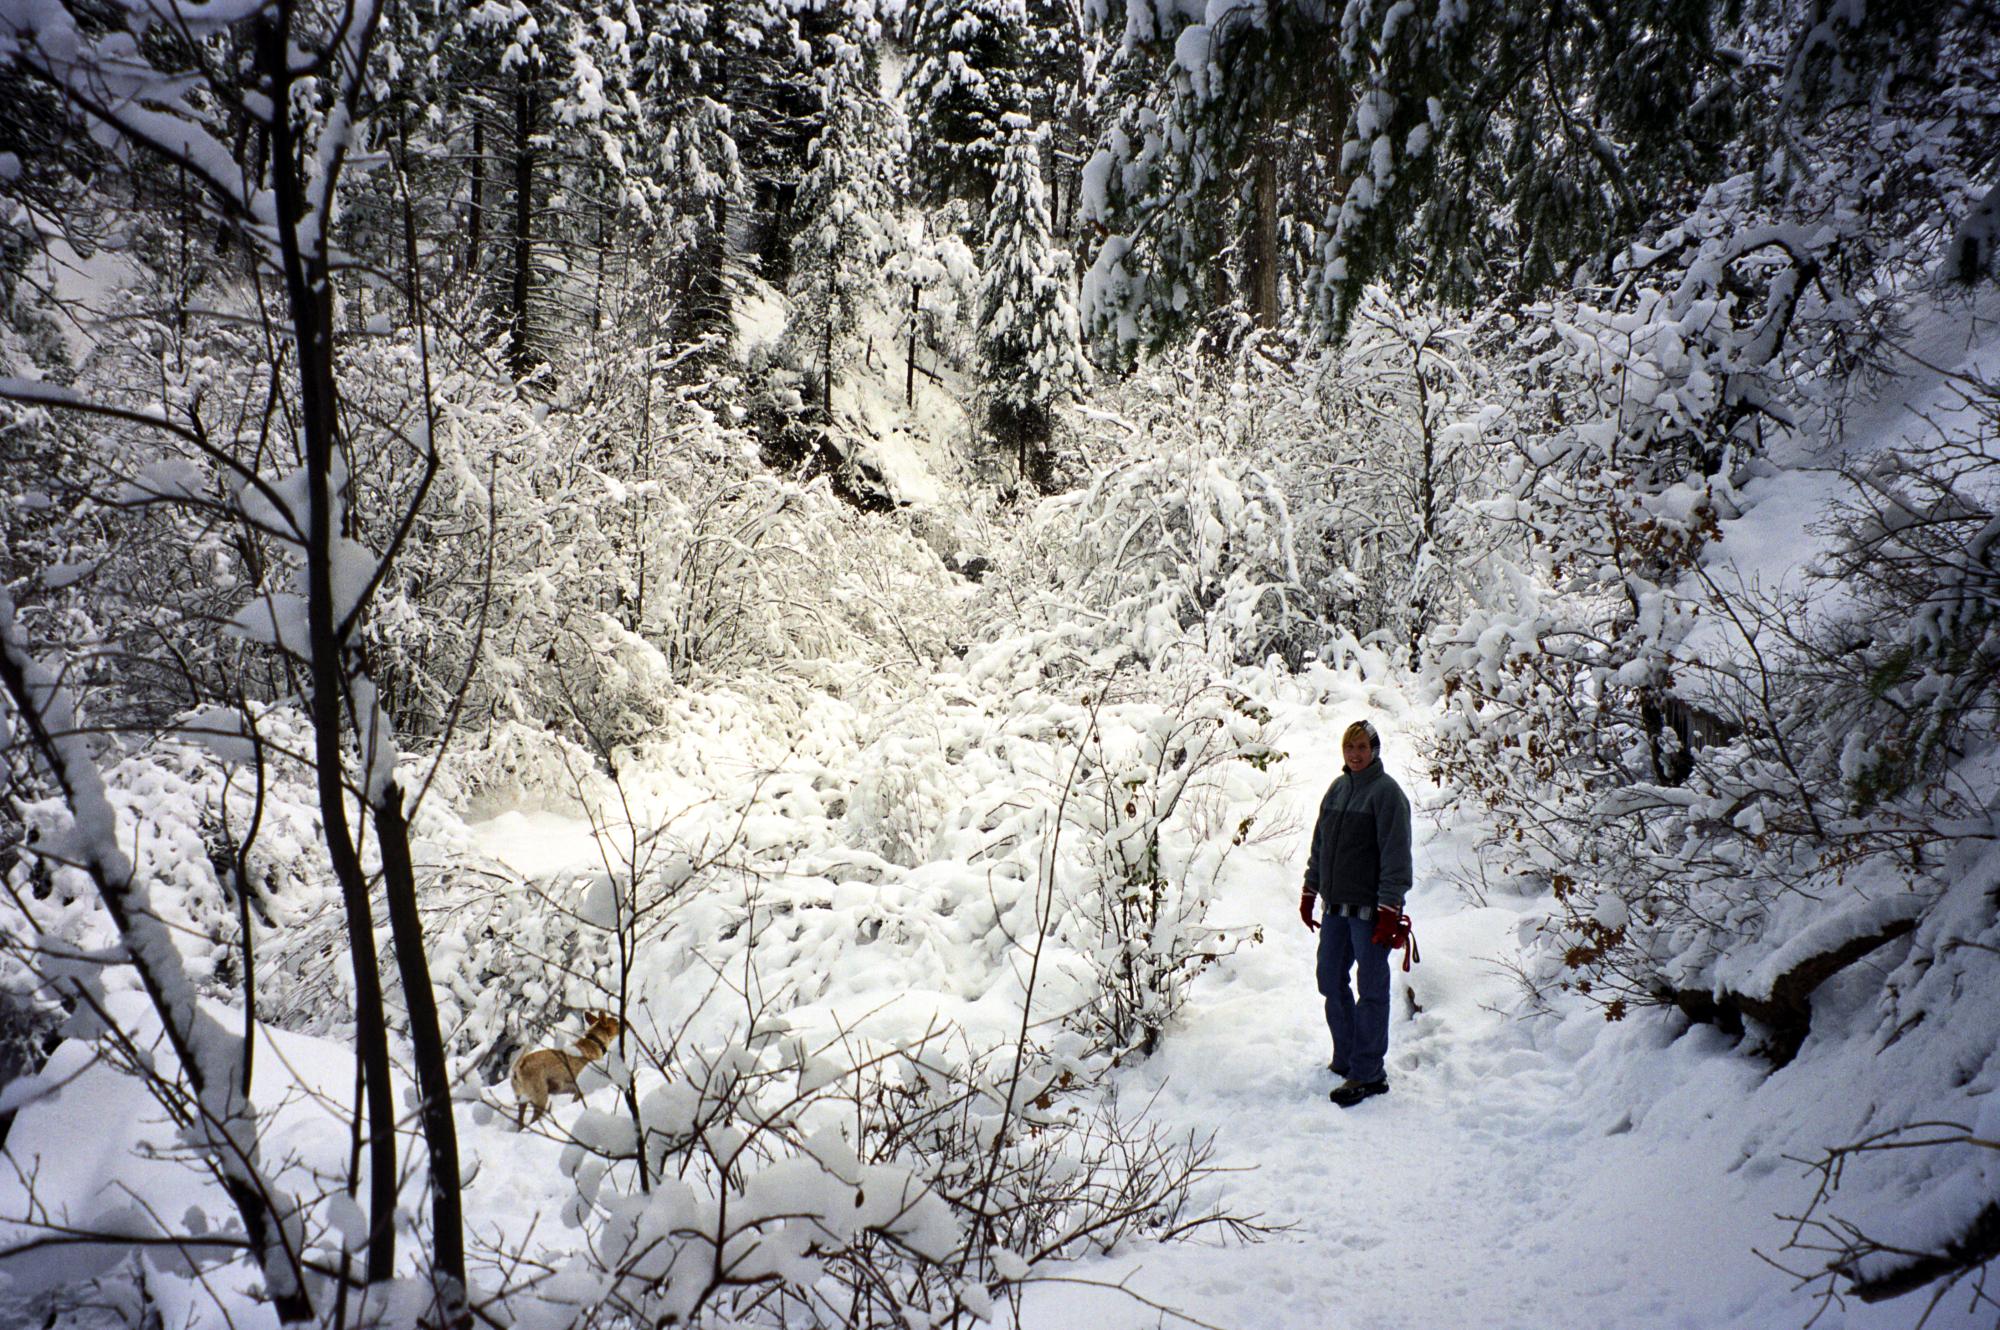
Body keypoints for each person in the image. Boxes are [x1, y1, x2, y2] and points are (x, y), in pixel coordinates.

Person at [1298, 718, 1412, 1107]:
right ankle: (1347, 1058)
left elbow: (1396, 857)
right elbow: (1320, 845)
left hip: (1370, 911)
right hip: (1334, 908)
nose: (1355, 755)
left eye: (1362, 748)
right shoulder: (1337, 789)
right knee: (1330, 979)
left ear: (1374, 751)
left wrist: (1389, 909)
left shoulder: (1387, 794)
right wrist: (1310, 889)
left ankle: (1368, 1072)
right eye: (1350, 748)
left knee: (1372, 989)